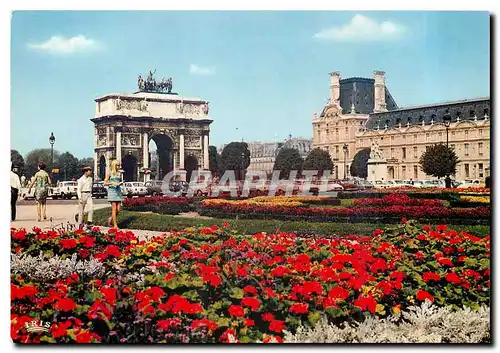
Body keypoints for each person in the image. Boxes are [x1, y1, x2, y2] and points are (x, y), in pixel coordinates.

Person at [104, 159, 123, 228]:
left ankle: (110, 219)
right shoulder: (109, 173)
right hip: (112, 191)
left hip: (118, 190)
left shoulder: (119, 173)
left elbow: (118, 181)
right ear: (114, 165)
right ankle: (115, 225)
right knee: (114, 209)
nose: (119, 166)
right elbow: (105, 183)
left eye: (119, 165)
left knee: (118, 209)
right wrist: (112, 183)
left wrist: (119, 183)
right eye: (117, 165)